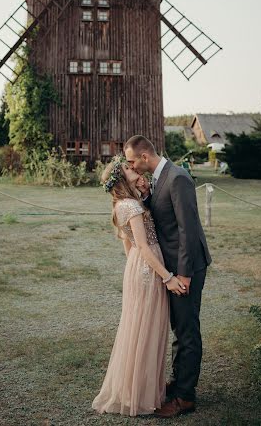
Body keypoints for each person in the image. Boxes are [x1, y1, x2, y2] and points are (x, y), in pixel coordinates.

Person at [124, 135, 212, 418]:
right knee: (178, 328)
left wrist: (184, 274)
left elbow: (188, 229)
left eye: (131, 162)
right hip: (172, 270)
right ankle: (179, 383)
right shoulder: (160, 180)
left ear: (144, 157)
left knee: (187, 331)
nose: (132, 167)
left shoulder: (178, 178)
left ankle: (185, 398)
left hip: (186, 269)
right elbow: (164, 218)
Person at [92, 155, 185, 417]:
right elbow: (143, 245)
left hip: (139, 265)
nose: (132, 168)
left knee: (140, 328)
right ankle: (140, 394)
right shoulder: (131, 205)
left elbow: (128, 245)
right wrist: (167, 277)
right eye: (127, 168)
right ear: (121, 177)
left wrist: (135, 265)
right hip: (149, 268)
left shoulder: (125, 203)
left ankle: (138, 389)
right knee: (147, 329)